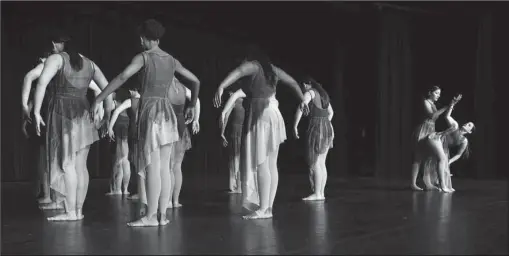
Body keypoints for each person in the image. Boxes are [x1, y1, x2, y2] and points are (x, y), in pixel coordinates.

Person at [92, 19, 200, 227]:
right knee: (165, 167)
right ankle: (162, 215)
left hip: (150, 111)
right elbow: (195, 81)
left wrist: (99, 98)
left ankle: (151, 217)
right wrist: (191, 104)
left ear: (144, 38)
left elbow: (122, 76)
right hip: (167, 112)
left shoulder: (143, 57)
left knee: (152, 166)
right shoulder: (171, 60)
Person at [213, 46, 309, 219]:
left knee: (262, 163)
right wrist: (302, 100)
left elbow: (239, 71)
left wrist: (221, 85)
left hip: (261, 114)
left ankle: (263, 208)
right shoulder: (272, 70)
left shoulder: (254, 65)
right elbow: (293, 83)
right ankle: (268, 208)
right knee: (271, 164)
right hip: (274, 113)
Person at [33, 33, 113, 221]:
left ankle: (70, 212)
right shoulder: (90, 63)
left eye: (53, 43)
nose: (52, 47)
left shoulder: (56, 58)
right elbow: (108, 88)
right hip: (83, 113)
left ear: (57, 43)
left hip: (63, 113)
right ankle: (77, 211)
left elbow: (42, 83)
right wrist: (106, 113)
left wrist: (36, 111)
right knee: (80, 166)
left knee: (67, 164)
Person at [414, 94, 467, 193]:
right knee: (430, 158)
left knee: (432, 160)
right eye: (467, 123)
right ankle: (442, 186)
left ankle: (431, 184)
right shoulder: (455, 125)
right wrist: (451, 105)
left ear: (470, 132)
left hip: (437, 140)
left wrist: (449, 162)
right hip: (434, 137)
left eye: (469, 125)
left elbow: (459, 155)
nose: (466, 124)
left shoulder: (464, 141)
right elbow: (446, 116)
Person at [293, 77, 334, 201]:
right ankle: (320, 193)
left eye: (303, 86)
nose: (303, 88)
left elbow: (302, 105)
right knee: (322, 163)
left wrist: (295, 125)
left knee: (315, 162)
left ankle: (317, 193)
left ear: (307, 84)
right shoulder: (323, 94)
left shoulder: (310, 92)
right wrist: (325, 121)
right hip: (328, 128)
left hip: (317, 128)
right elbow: (331, 112)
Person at [167, 77, 201, 209]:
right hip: (181, 127)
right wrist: (196, 119)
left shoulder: (163, 86)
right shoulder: (182, 88)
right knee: (177, 166)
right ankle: (175, 201)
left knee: (168, 166)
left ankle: (168, 201)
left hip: (168, 127)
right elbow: (196, 99)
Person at [106, 91, 132, 196]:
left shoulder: (115, 104)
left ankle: (117, 189)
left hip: (119, 127)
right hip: (125, 125)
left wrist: (109, 126)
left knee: (118, 161)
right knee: (125, 160)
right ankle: (125, 189)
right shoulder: (128, 105)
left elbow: (109, 109)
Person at [220, 89, 245, 194]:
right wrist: (222, 132)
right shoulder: (242, 99)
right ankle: (238, 186)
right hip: (240, 130)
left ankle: (237, 186)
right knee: (238, 157)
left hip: (239, 130)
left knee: (236, 157)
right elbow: (226, 116)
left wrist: (222, 132)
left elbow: (226, 115)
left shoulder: (236, 99)